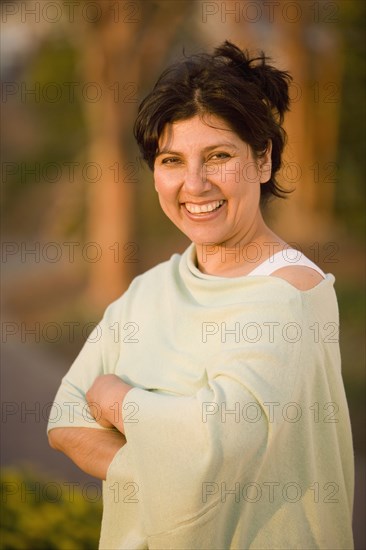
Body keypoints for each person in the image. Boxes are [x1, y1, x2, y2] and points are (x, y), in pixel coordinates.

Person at [48, 41, 354, 549]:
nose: (195, 184)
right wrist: (168, 460)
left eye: (218, 157)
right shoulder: (146, 293)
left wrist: (116, 397)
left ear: (262, 161)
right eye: (172, 160)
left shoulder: (290, 295)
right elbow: (65, 419)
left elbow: (218, 444)